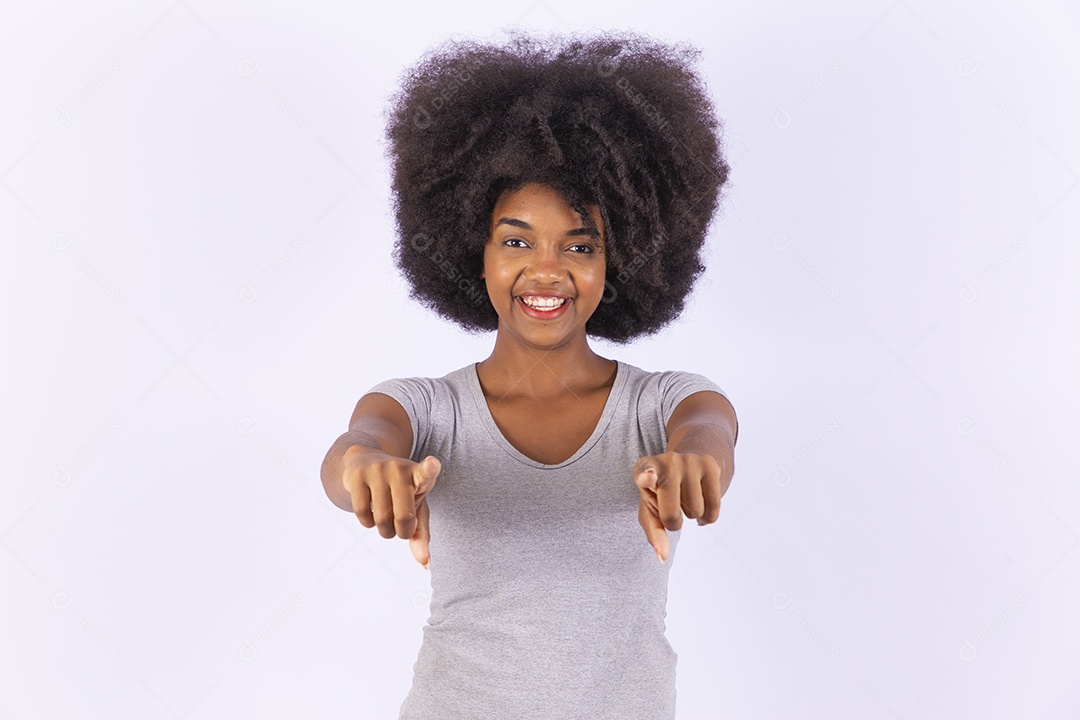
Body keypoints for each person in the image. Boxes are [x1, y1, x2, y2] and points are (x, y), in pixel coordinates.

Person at [320, 30, 739, 719]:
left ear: (620, 259)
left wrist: (695, 460)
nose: (546, 271)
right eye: (516, 241)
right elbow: (358, 444)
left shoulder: (661, 402)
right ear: (473, 250)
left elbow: (710, 428)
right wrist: (367, 467)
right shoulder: (429, 409)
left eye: (580, 245)